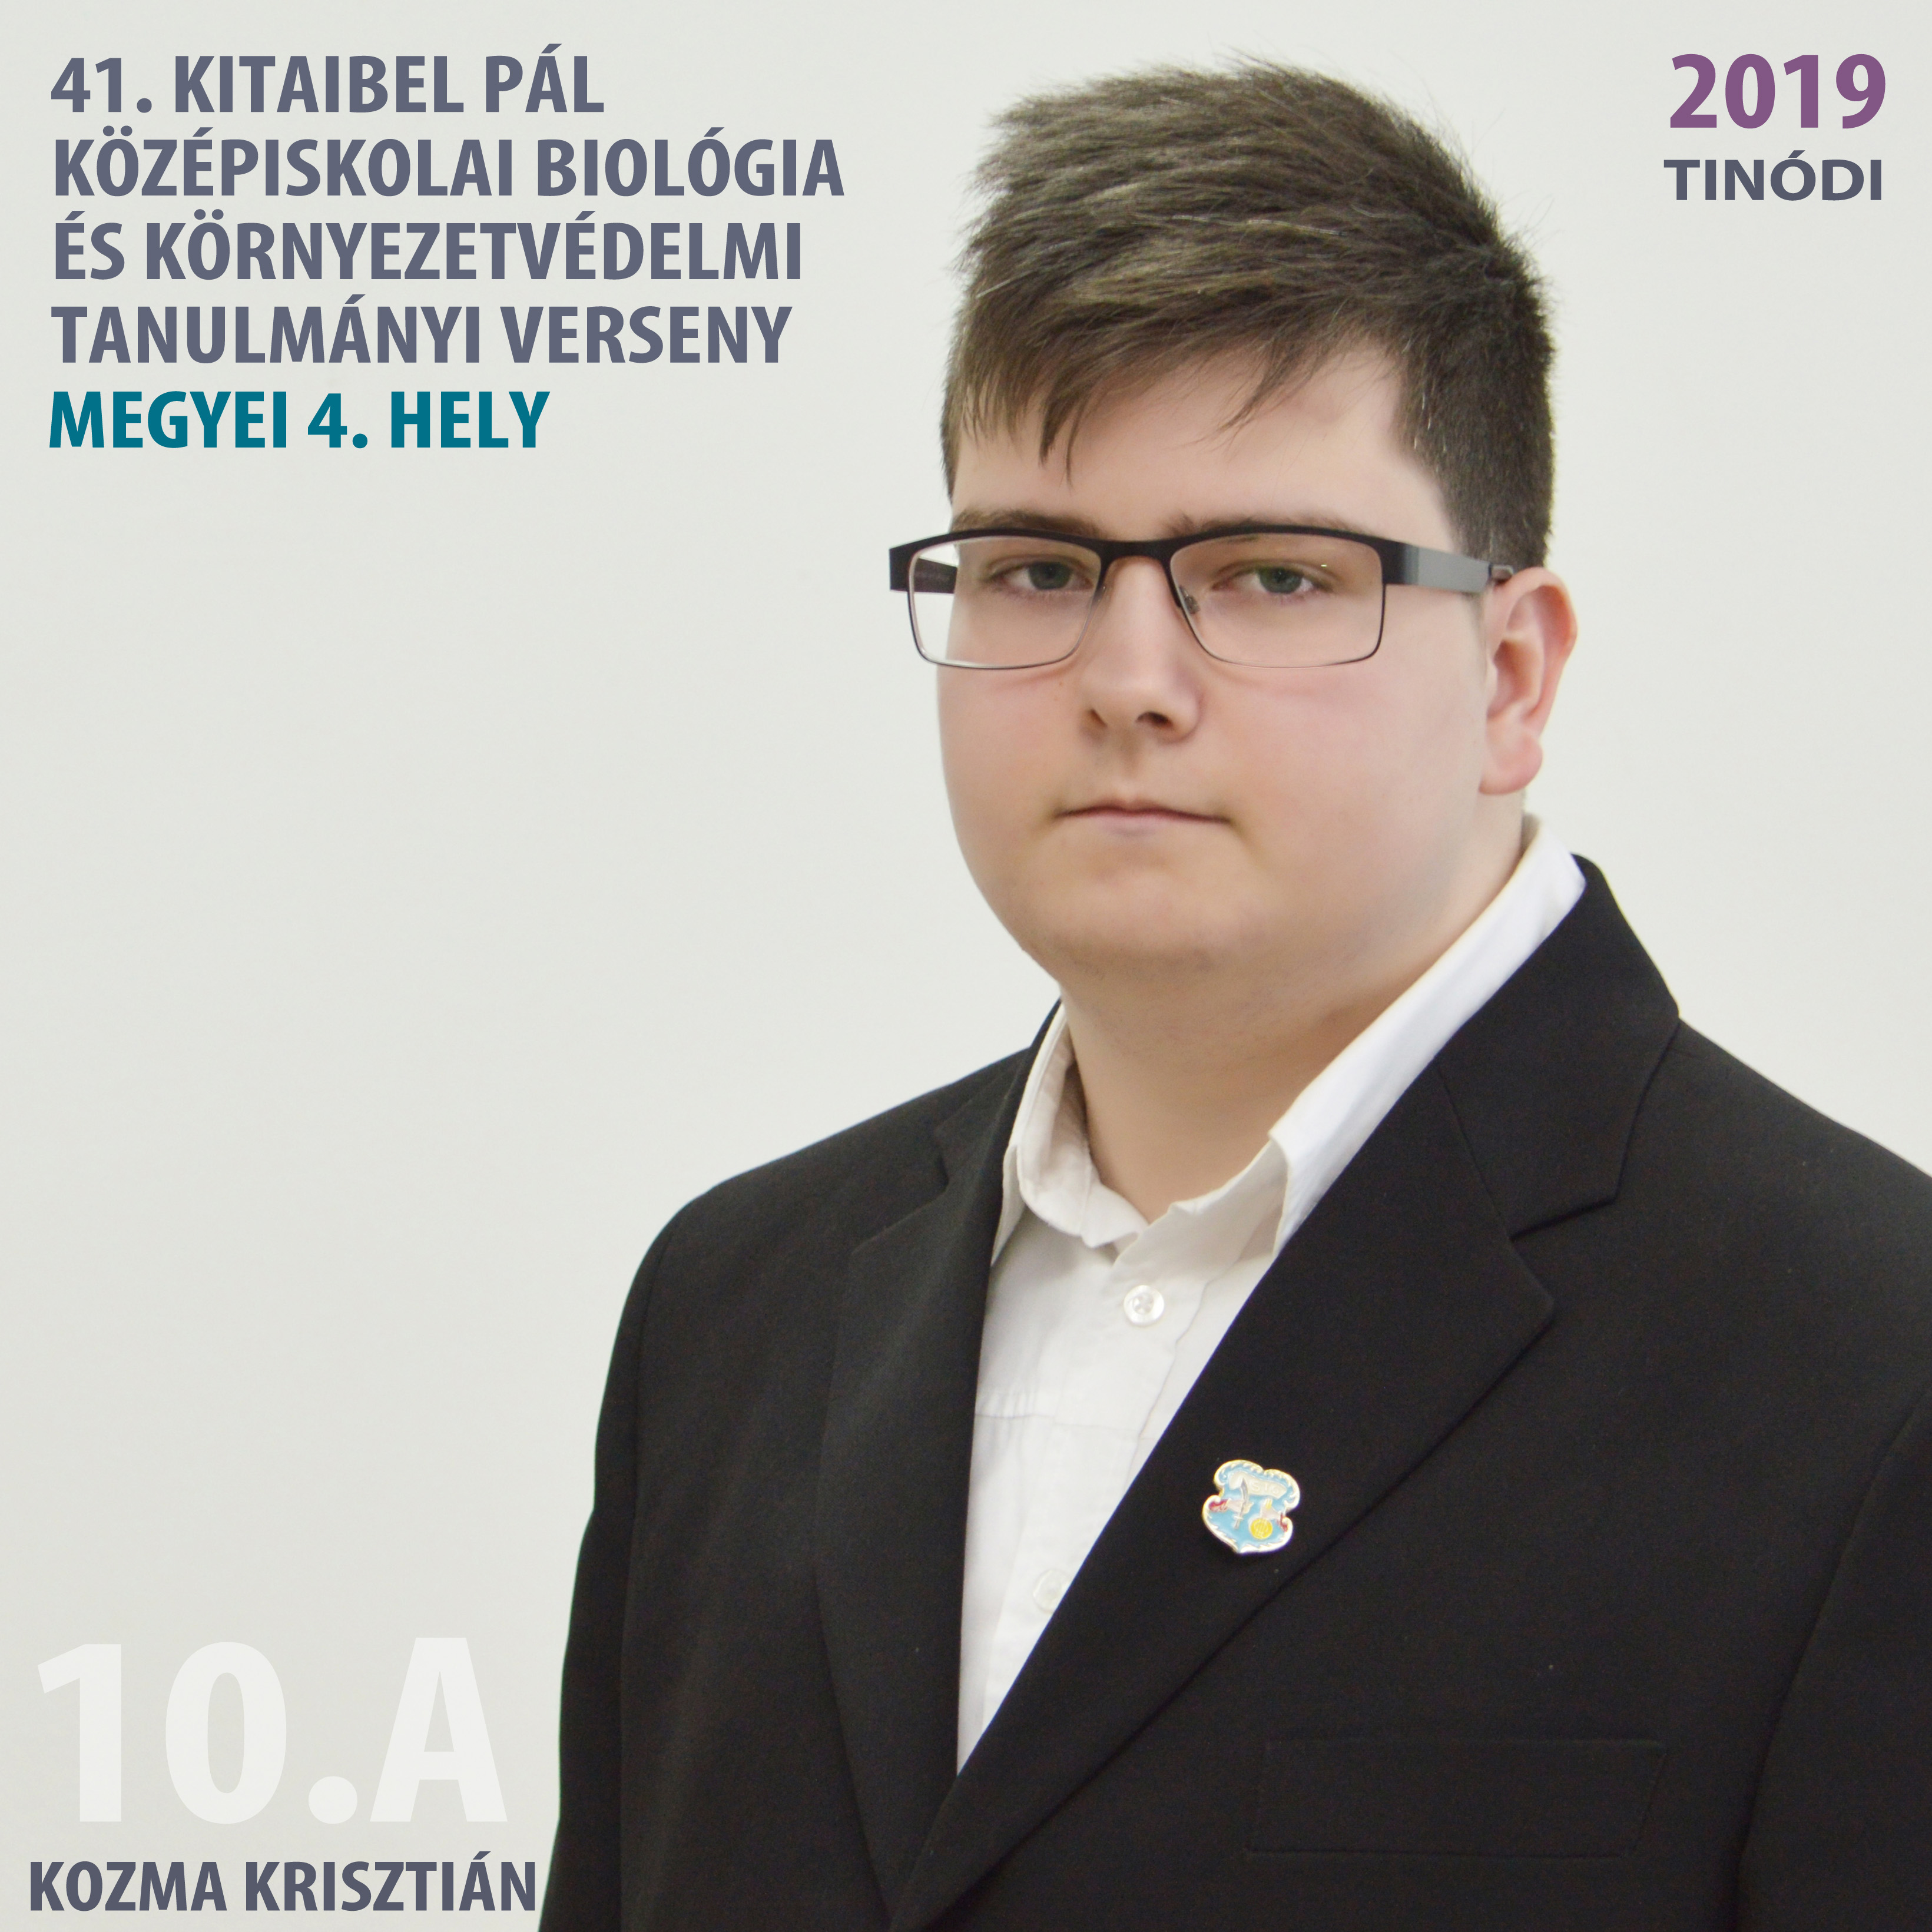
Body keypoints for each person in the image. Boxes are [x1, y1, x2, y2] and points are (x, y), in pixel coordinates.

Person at [539, 62, 1932, 1931]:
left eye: (1270, 575)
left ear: (1510, 672)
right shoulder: (735, 1307)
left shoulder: (1869, 1363)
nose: (1127, 676)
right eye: (1036, 567)